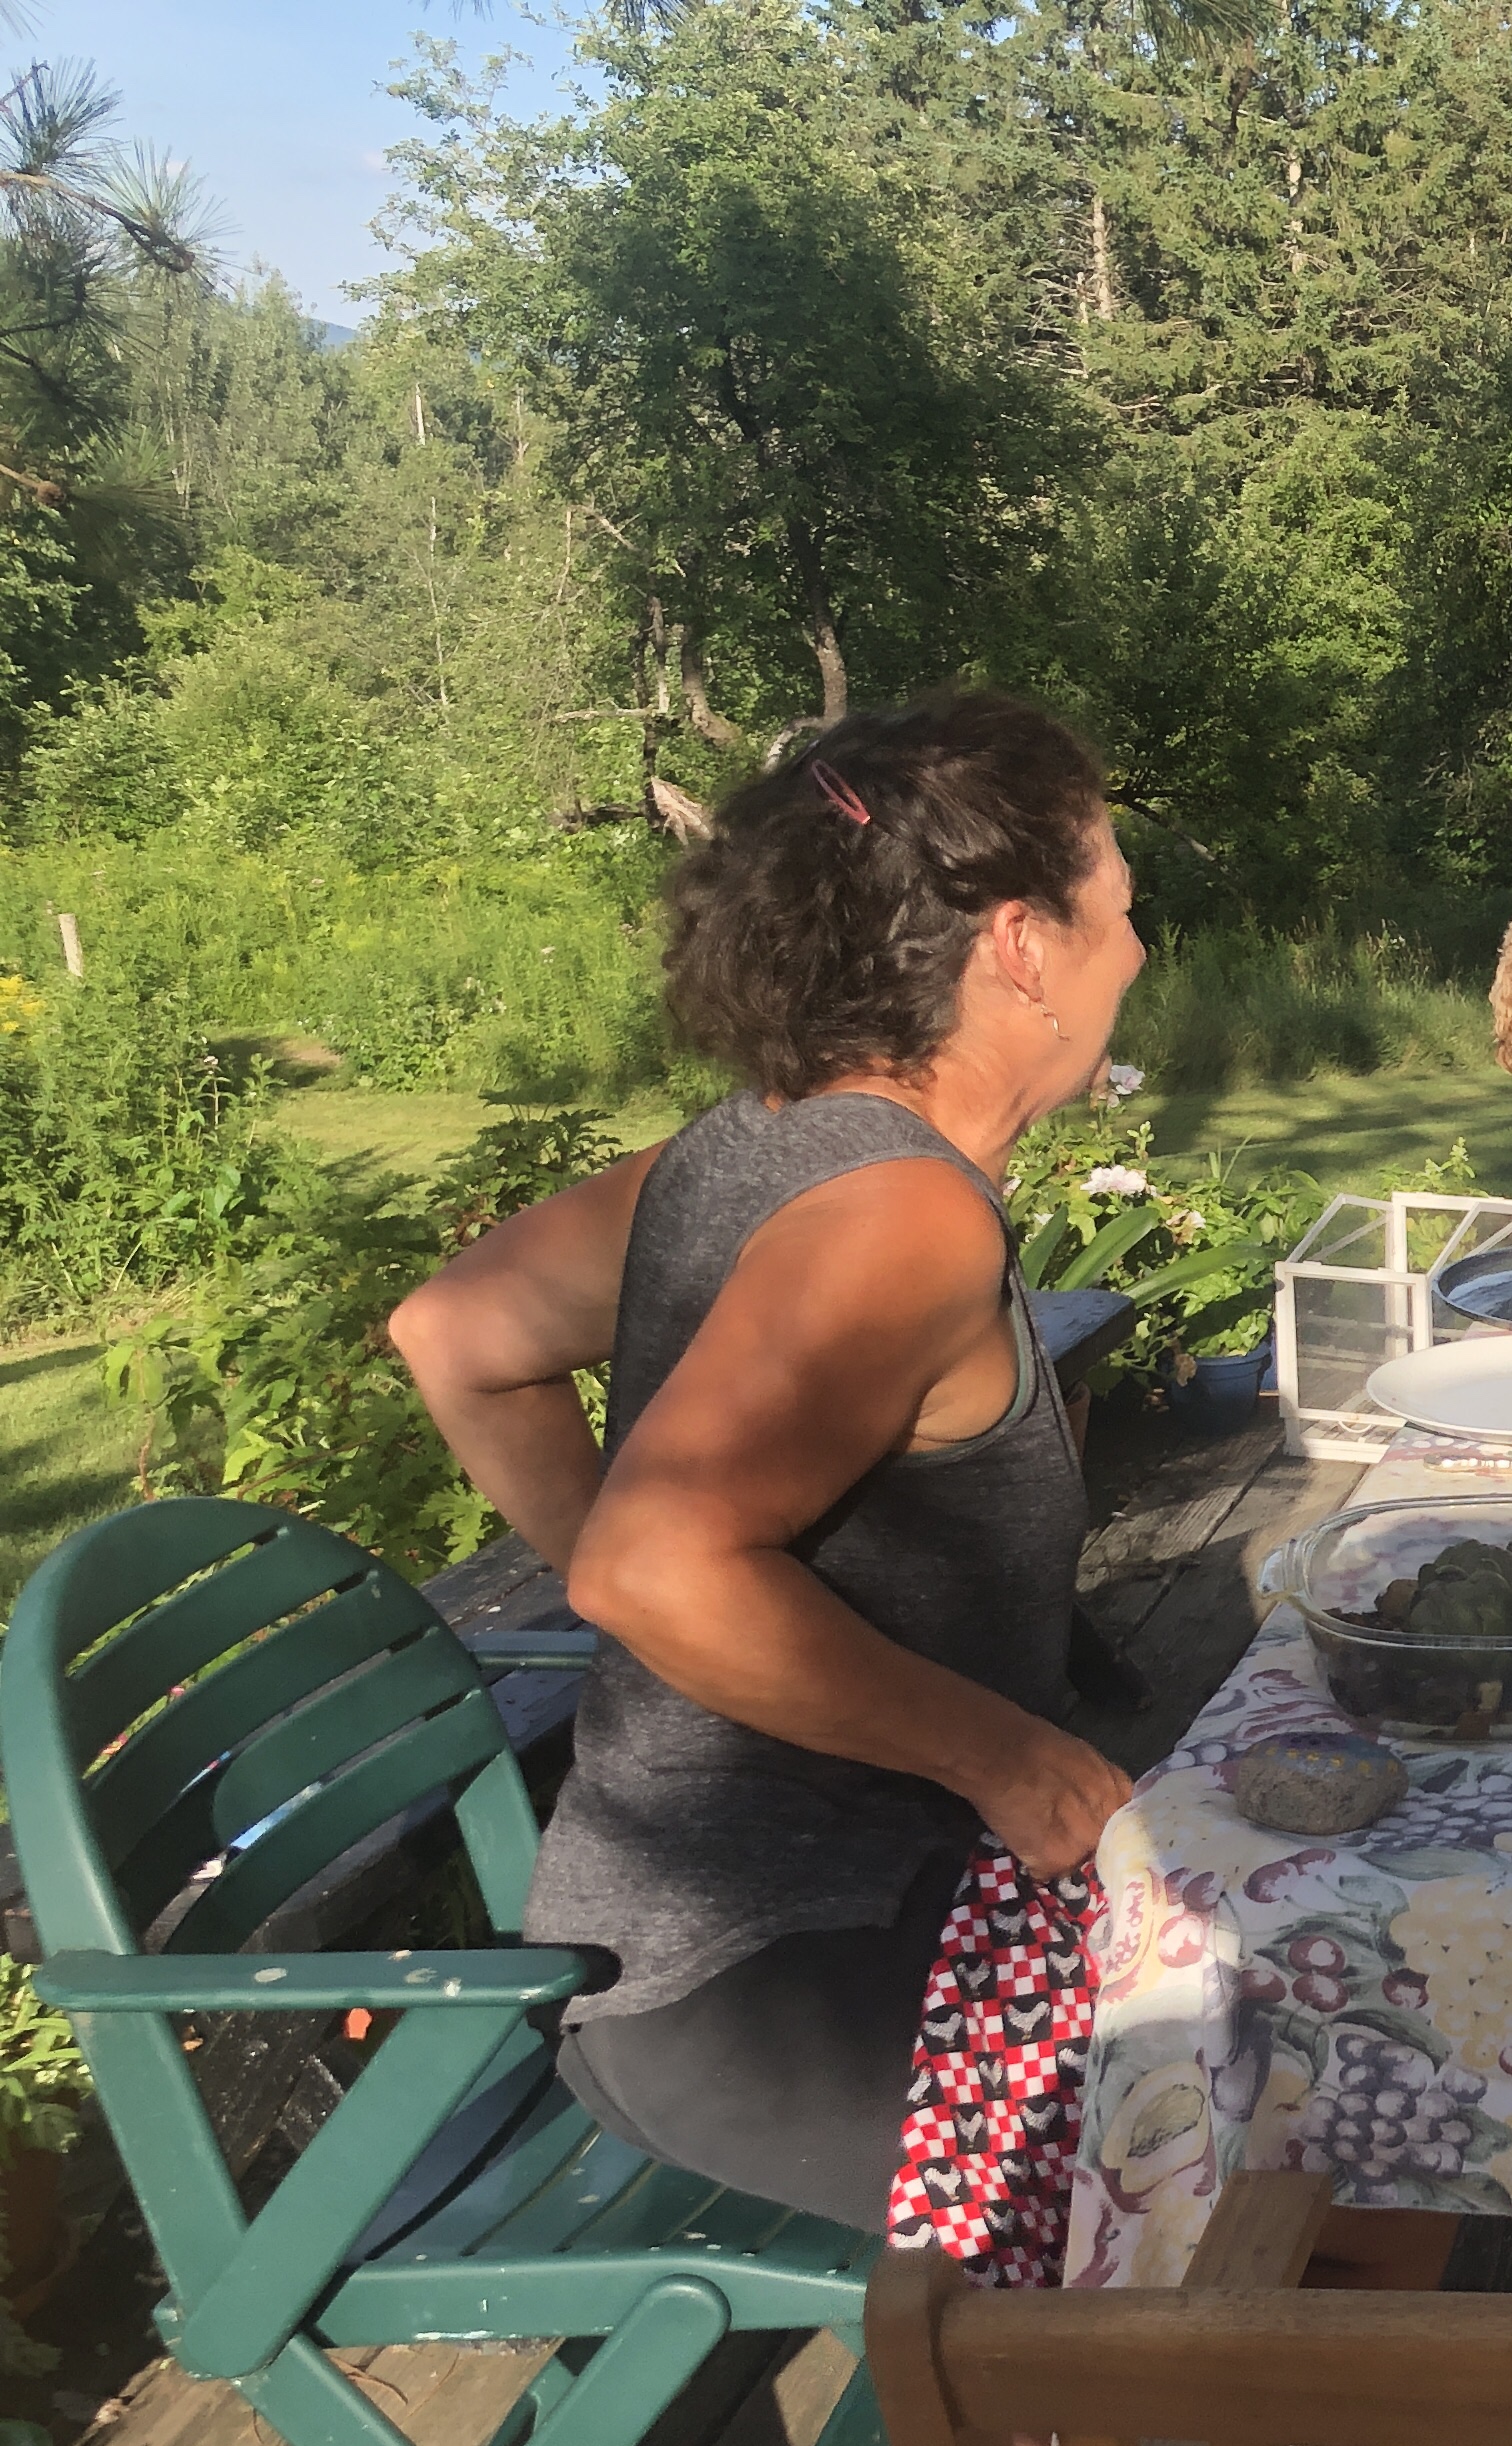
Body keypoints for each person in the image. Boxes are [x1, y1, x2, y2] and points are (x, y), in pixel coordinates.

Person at [389, 690, 1140, 2229]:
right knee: (1276, 2159)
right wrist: (1006, 1759)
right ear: (1021, 946)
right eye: (1122, 910)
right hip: (782, 1976)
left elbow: (454, 1333)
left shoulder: (750, 1141)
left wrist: (674, 1618)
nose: (1133, 951)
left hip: (689, 1942)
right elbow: (650, 1563)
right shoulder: (904, 1215)